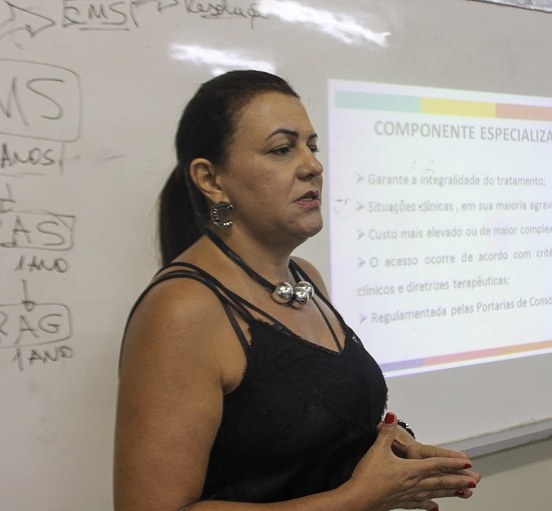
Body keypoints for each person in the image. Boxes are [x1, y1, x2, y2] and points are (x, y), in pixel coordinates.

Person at [113, 70, 480, 511]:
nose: (313, 166)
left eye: (312, 146)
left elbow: (294, 434)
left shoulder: (305, 278)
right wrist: (358, 498)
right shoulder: (183, 310)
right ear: (211, 179)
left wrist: (392, 454)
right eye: (282, 149)